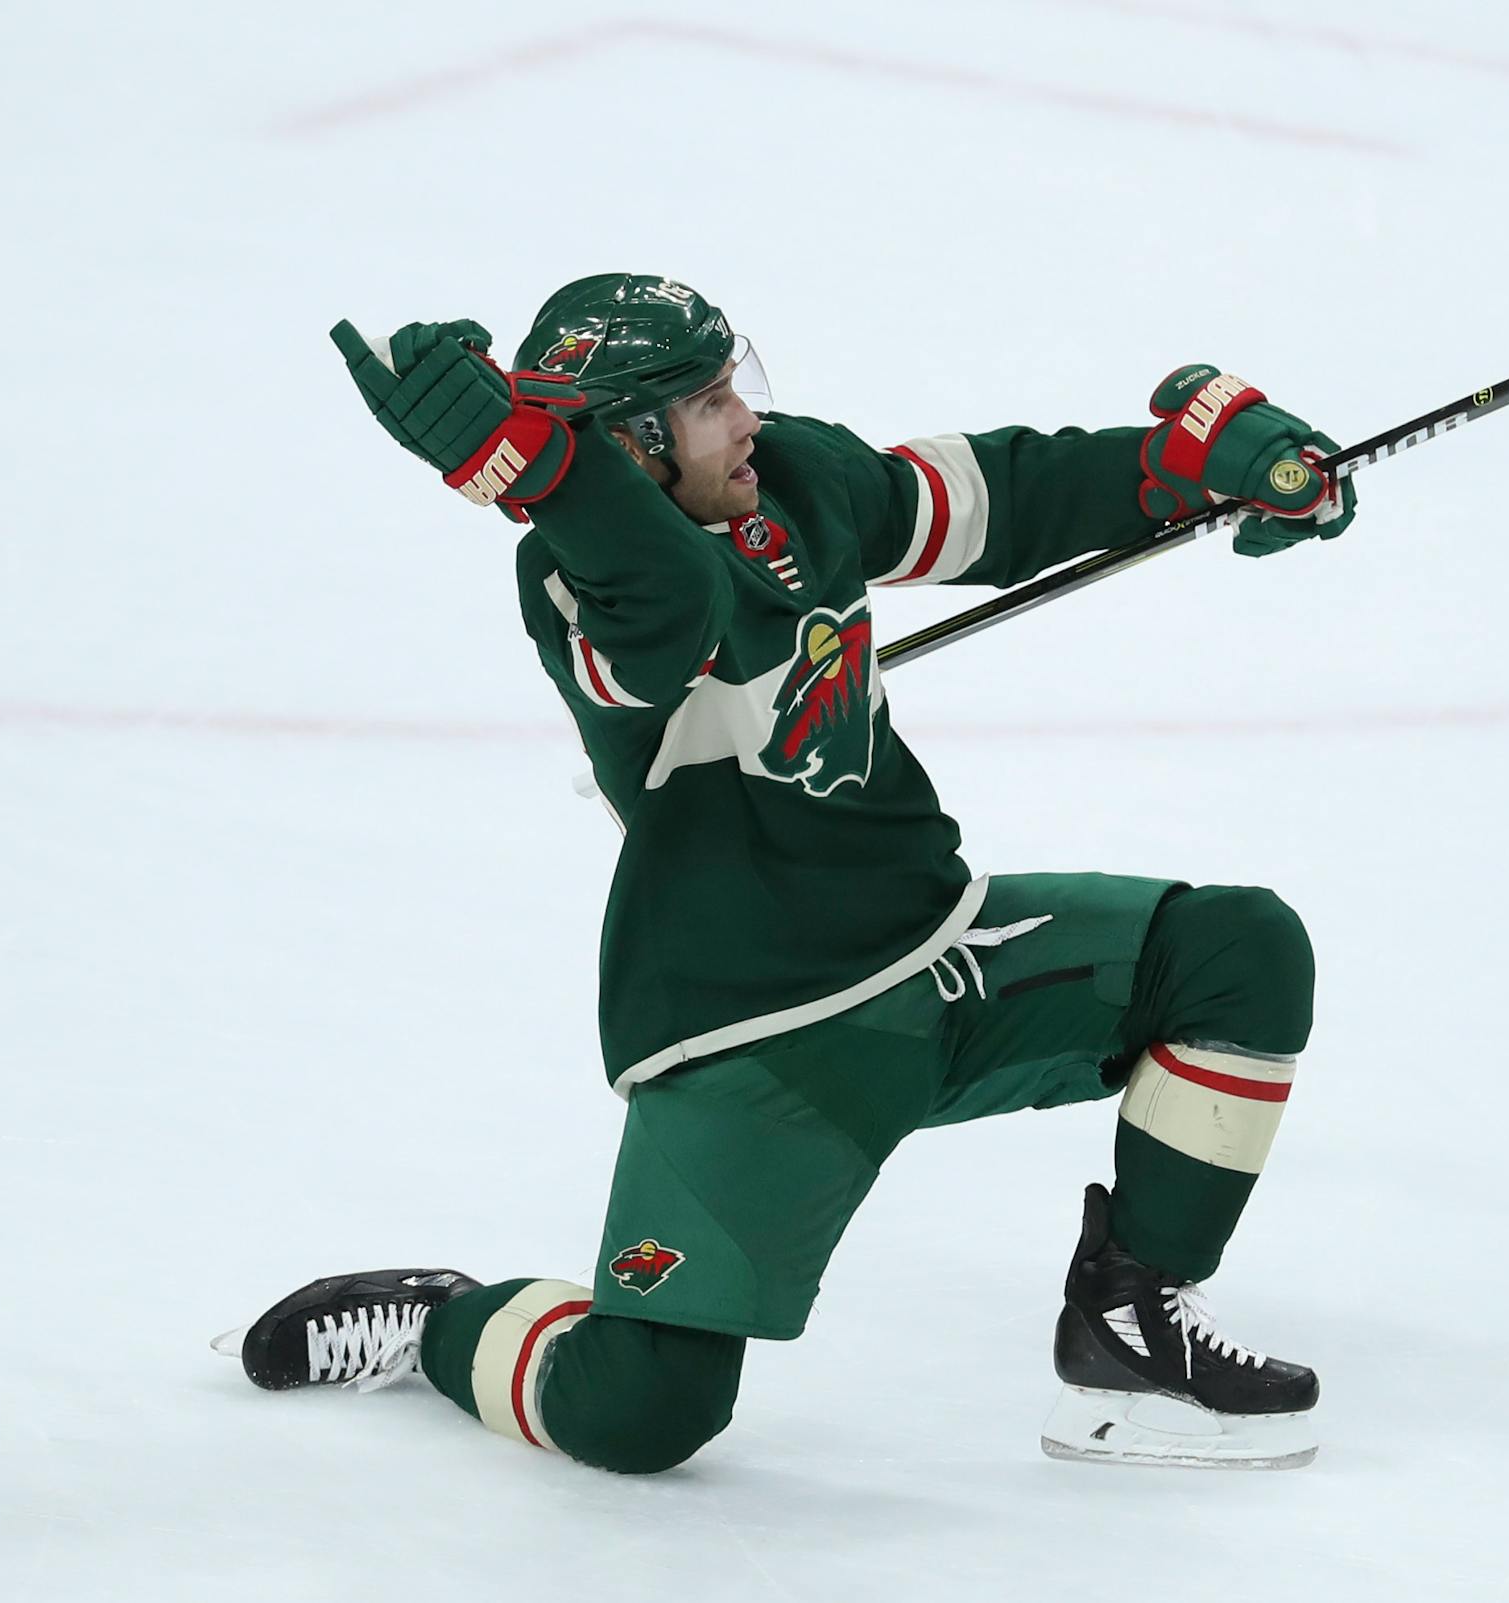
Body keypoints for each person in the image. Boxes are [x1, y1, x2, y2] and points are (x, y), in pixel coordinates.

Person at [215, 273, 1358, 1471]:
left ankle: (1132, 1335)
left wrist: (1174, 468)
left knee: (1239, 951)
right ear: (632, 444)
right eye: (710, 402)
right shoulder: (571, 582)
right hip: (763, 1036)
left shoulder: (789, 481)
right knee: (643, 1411)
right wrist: (545, 475)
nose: (749, 418)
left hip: (941, 952)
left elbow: (983, 499)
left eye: (736, 381)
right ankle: (443, 1318)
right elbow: (673, 606)